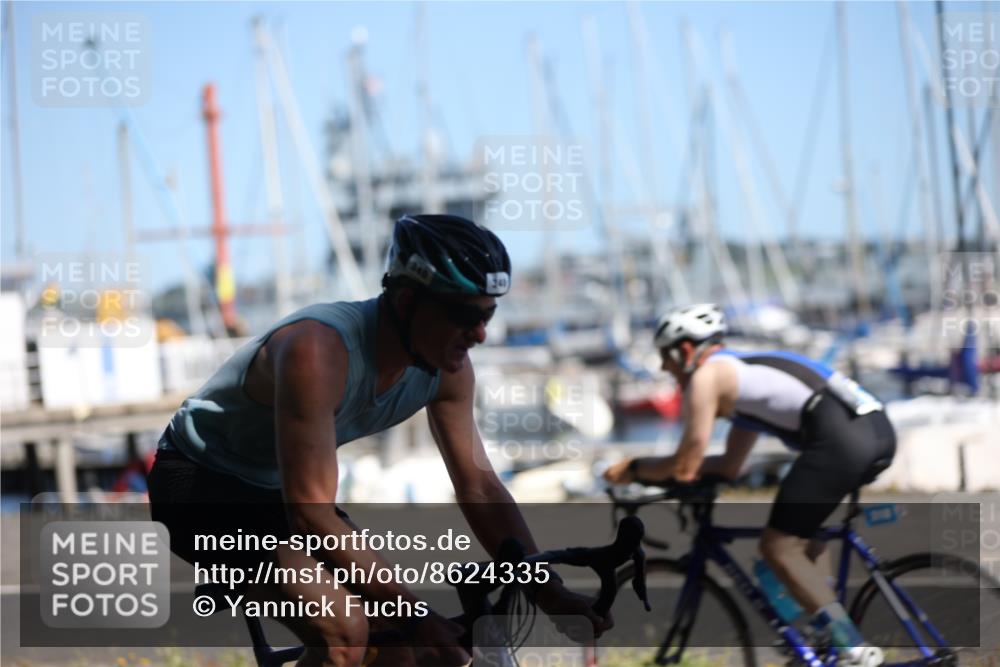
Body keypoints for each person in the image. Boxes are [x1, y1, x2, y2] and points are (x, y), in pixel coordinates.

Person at [148, 214, 610, 667]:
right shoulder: (317, 352)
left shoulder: (447, 369)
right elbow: (310, 514)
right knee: (347, 633)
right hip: (201, 485)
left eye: (488, 314)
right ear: (408, 301)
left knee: (398, 649)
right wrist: (415, 614)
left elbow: (480, 487)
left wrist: (547, 591)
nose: (481, 334)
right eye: (465, 315)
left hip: (276, 490)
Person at [603, 304, 895, 667]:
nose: (664, 368)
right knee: (803, 539)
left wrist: (633, 470)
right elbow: (728, 466)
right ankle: (824, 634)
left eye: (666, 356)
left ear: (686, 350)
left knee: (778, 547)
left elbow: (685, 463)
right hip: (873, 432)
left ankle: (850, 646)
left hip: (841, 441)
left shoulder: (707, 377)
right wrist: (674, 475)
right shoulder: (743, 377)